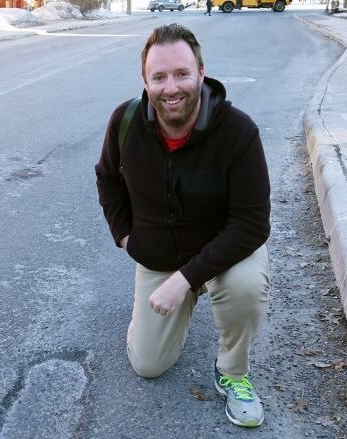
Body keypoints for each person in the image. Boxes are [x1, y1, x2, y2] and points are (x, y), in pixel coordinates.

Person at [95, 23, 271, 428]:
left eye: (181, 74)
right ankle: (167, 312)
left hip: (225, 251)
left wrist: (185, 279)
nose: (170, 88)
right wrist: (124, 236)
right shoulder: (125, 122)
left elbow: (251, 224)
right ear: (145, 81)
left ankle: (233, 372)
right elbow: (106, 177)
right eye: (159, 77)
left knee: (244, 287)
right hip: (159, 257)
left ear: (201, 73)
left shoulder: (238, 132)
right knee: (148, 365)